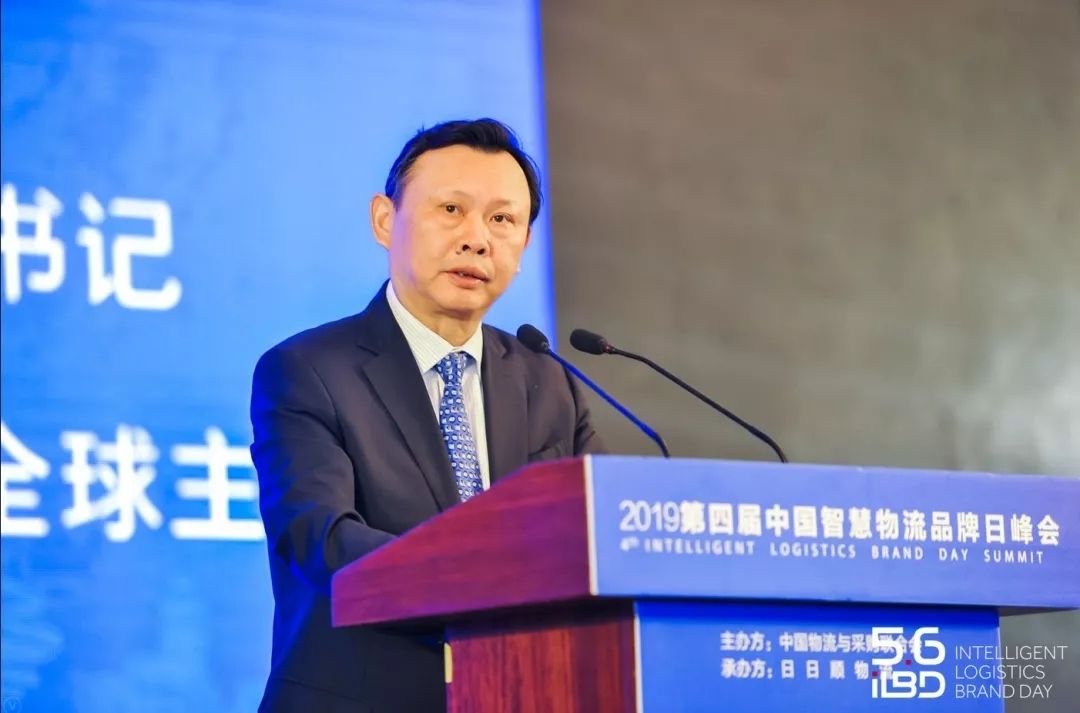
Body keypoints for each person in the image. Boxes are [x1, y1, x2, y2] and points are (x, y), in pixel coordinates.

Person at [250, 118, 605, 712]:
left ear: (523, 246)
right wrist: (493, 580)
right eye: (451, 210)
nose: (477, 239)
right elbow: (323, 541)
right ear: (384, 220)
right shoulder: (307, 370)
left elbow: (598, 538)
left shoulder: (550, 383)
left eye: (502, 220)